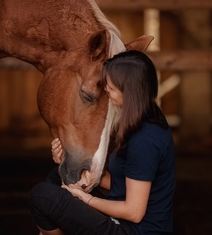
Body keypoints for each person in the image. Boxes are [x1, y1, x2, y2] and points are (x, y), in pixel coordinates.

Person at [28, 50, 176, 235]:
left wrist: (86, 199)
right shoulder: (143, 119)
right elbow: (125, 182)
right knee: (58, 177)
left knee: (42, 197)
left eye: (111, 88)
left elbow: (134, 212)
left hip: (132, 230)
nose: (106, 89)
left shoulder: (145, 140)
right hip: (127, 222)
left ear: (130, 91)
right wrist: (71, 163)